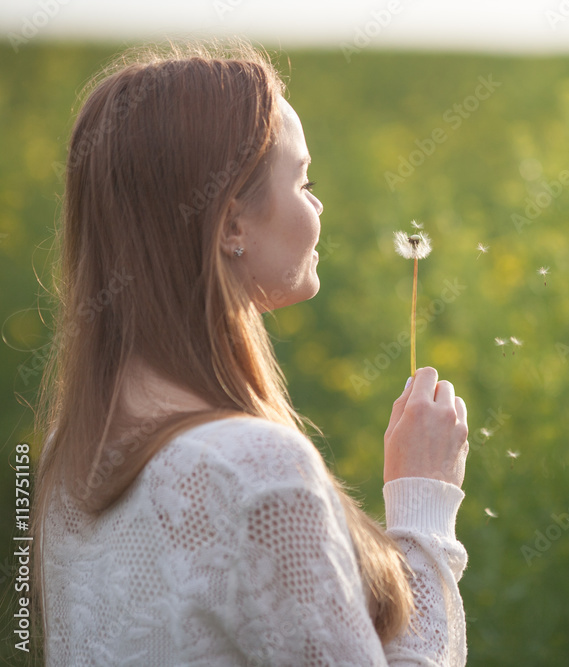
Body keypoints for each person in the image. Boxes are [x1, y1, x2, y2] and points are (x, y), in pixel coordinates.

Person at [33, 40, 470, 665]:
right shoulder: (253, 470)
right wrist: (422, 496)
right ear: (232, 224)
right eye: (304, 179)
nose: (317, 205)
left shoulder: (72, 453)